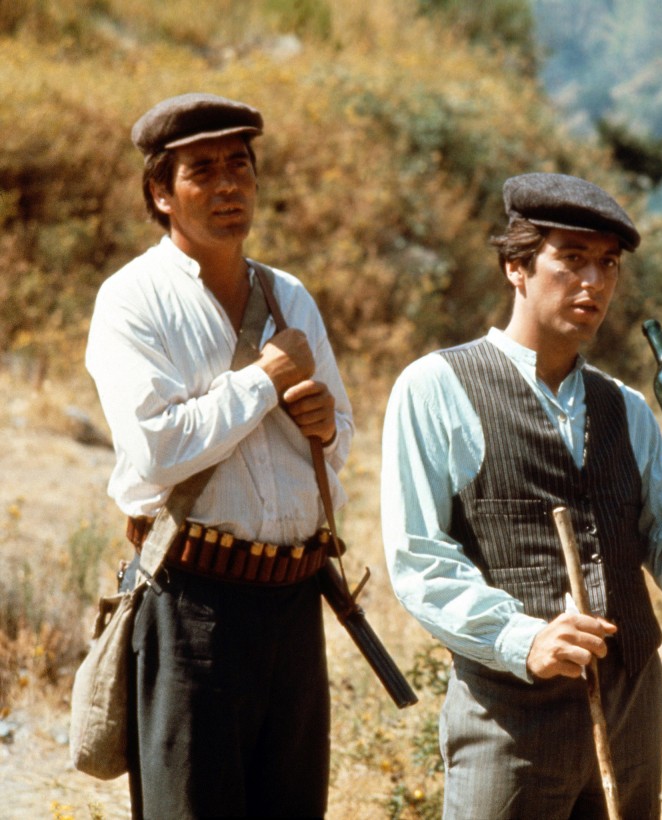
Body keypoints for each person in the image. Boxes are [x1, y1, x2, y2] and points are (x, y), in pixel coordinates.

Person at [381, 172, 662, 819]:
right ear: (516, 267)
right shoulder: (436, 387)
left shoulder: (626, 408)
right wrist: (522, 639)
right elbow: (418, 558)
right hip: (510, 721)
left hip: (631, 713)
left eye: (608, 264)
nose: (594, 282)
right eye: (572, 259)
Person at [85, 92, 353, 817]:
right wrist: (264, 381)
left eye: (240, 166)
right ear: (161, 194)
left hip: (294, 600)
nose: (229, 185)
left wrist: (326, 427)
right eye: (202, 171)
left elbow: (340, 438)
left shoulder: (289, 296)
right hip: (191, 603)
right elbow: (158, 448)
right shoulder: (132, 300)